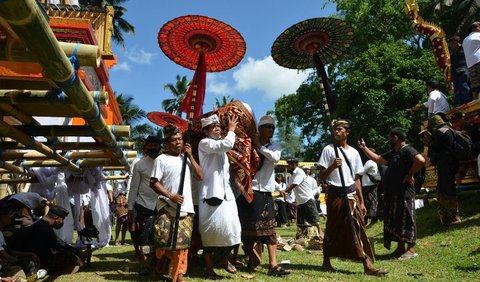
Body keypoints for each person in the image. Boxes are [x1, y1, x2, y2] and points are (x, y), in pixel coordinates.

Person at [317, 119, 386, 276]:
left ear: (347, 132)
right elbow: (321, 176)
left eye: (340, 129)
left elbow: (356, 179)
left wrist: (361, 201)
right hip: (334, 195)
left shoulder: (354, 152)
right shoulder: (328, 150)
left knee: (358, 227)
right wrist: (332, 166)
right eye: (334, 129)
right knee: (333, 227)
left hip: (351, 195)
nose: (336, 132)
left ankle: (366, 263)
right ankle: (326, 261)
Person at [358, 128, 425, 260]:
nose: (389, 140)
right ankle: (400, 248)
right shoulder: (395, 152)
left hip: (405, 192)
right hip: (394, 192)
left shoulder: (407, 149)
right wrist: (364, 148)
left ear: (395, 138)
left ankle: (410, 249)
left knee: (407, 219)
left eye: (390, 137)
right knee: (397, 220)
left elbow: (421, 160)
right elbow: (378, 159)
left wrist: (410, 174)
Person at [236, 115, 291, 276]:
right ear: (259, 129)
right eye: (268, 127)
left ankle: (273, 264)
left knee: (270, 230)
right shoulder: (247, 145)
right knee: (247, 228)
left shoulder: (275, 147)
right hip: (248, 191)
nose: (271, 130)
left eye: (273, 127)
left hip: (265, 192)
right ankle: (251, 259)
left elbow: (274, 159)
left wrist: (259, 146)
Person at [149, 125, 203, 282]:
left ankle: (178, 274)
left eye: (180, 139)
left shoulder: (186, 160)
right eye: (174, 140)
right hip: (167, 207)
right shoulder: (161, 159)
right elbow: (153, 182)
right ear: (166, 143)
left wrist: (191, 156)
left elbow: (200, 176)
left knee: (182, 245)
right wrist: (170, 195)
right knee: (163, 242)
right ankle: (161, 264)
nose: (178, 142)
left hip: (186, 208)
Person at [197, 114, 242, 279]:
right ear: (206, 131)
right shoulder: (205, 143)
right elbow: (227, 144)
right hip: (210, 195)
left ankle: (223, 259)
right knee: (210, 236)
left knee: (234, 231)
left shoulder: (220, 147)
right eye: (213, 127)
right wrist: (231, 130)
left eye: (219, 126)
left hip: (226, 196)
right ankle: (209, 270)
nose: (218, 129)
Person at [7, 205, 84, 275]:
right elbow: (60, 245)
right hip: (35, 260)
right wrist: (76, 253)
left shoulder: (40, 224)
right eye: (62, 219)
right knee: (71, 257)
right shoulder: (44, 228)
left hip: (35, 257)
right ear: (57, 219)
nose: (62, 222)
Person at [127, 135, 162, 275]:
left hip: (162, 204)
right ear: (146, 147)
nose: (153, 147)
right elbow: (134, 186)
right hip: (143, 204)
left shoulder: (164, 161)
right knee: (145, 236)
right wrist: (130, 208)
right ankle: (147, 265)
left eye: (156, 145)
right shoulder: (139, 164)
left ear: (160, 147)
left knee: (160, 236)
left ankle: (160, 264)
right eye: (151, 145)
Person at [427, 115, 462, 226]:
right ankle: (452, 215)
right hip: (453, 163)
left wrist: (429, 142)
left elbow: (436, 150)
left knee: (446, 190)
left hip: (445, 164)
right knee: (449, 188)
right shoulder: (450, 130)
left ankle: (452, 217)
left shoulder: (439, 133)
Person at [283, 159, 323, 240]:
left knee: (314, 218)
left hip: (307, 198)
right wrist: (286, 195)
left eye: (290, 164)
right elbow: (290, 188)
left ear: (295, 164)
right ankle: (300, 237)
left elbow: (294, 185)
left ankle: (321, 234)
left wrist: (284, 191)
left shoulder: (300, 172)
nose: (288, 166)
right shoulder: (291, 176)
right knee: (300, 221)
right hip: (299, 201)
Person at [449, 36, 472, 105]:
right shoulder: (452, 53)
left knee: (463, 85)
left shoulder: (464, 48)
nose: (451, 45)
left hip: (464, 70)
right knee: (457, 89)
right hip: (455, 73)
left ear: (456, 41)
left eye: (452, 43)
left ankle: (469, 101)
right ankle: (460, 104)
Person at [360, 152, 381, 225]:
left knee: (369, 202)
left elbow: (361, 171)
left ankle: (372, 219)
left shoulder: (369, 162)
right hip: (373, 184)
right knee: (373, 201)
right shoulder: (376, 162)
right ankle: (373, 218)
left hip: (367, 185)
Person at [463, 21, 480, 100]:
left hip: (470, 64)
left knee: (475, 85)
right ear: (474, 28)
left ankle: (475, 102)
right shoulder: (478, 35)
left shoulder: (465, 40)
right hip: (479, 60)